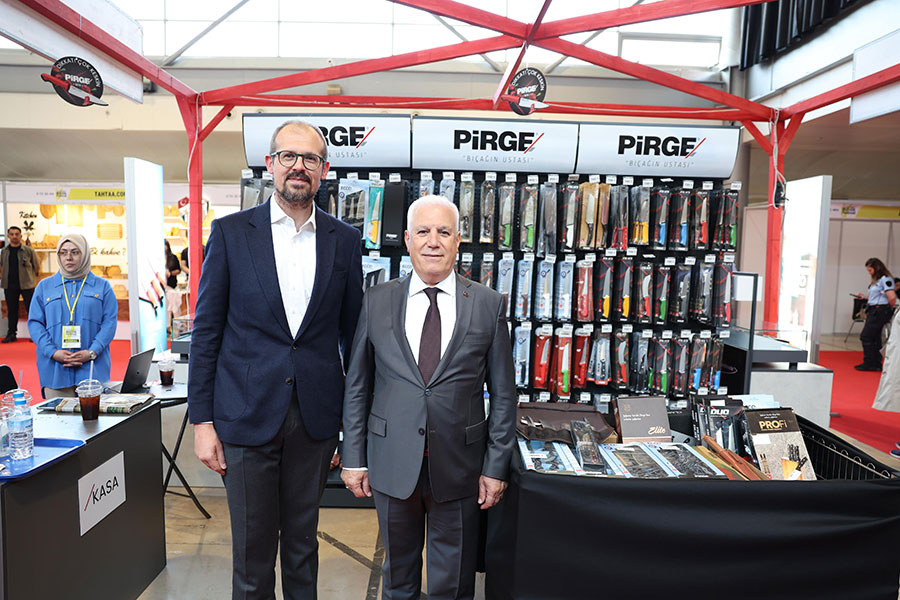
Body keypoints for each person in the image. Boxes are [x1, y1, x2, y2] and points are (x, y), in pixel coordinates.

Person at [188, 119, 363, 600]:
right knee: (252, 553)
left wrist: (351, 426)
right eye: (289, 156)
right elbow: (206, 334)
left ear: (324, 169)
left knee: (303, 546)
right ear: (270, 164)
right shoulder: (230, 234)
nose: (298, 166)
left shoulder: (345, 240)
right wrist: (202, 421)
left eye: (310, 158)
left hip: (315, 420)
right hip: (244, 416)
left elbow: (353, 338)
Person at [342, 195, 516, 600]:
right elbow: (357, 385)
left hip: (460, 468)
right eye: (423, 231)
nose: (433, 241)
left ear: (458, 240)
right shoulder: (377, 300)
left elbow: (504, 395)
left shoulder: (488, 305)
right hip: (391, 463)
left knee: (452, 584)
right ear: (407, 239)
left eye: (443, 232)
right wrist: (353, 457)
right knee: (398, 579)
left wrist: (496, 467)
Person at [27, 233, 117, 397]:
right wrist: (53, 352)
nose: (68, 257)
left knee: (93, 413)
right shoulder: (44, 287)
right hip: (55, 370)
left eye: (75, 252)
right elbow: (35, 324)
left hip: (92, 368)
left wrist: (92, 352)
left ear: (85, 254)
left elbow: (109, 323)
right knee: (58, 413)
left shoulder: (102, 286)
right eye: (63, 253)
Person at [855, 258, 896, 371]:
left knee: (866, 336)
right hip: (875, 309)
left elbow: (892, 297)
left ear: (877, 268)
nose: (869, 273)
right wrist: (865, 297)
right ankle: (875, 363)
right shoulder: (877, 281)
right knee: (875, 337)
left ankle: (869, 362)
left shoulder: (885, 279)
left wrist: (888, 309)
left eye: (870, 270)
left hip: (880, 310)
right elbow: (878, 296)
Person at [1, 226, 40, 343]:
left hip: (27, 285)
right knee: (12, 310)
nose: (14, 236)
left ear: (20, 236)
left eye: (17, 234)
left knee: (32, 310)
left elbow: (36, 266)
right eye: (12, 234)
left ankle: (35, 334)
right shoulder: (4, 251)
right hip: (9, 285)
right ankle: (11, 334)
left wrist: (31, 278)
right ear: (8, 236)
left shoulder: (28, 251)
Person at [164, 240, 183, 329]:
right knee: (166, 307)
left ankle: (176, 326)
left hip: (171, 285)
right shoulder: (157, 258)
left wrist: (170, 273)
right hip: (162, 286)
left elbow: (178, 270)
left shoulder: (173, 258)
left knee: (174, 306)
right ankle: (167, 326)